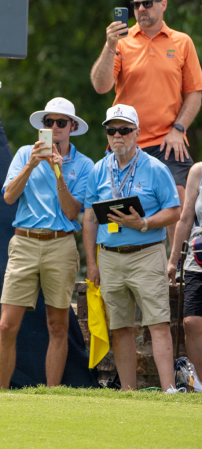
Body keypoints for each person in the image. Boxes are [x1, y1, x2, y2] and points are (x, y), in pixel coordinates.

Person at [90, 0, 202, 246]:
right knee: (109, 202)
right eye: (136, 4)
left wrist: (179, 129)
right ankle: (113, 262)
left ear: (163, 5)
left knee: (180, 197)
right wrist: (109, 46)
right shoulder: (122, 41)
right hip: (126, 138)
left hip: (168, 139)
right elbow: (100, 86)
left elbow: (195, 93)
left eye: (148, 3)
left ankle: (177, 270)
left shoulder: (181, 41)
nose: (141, 9)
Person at [0, 98, 94, 389]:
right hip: (24, 241)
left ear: (72, 127)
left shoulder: (84, 164)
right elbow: (8, 197)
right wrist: (31, 165)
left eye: (60, 123)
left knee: (58, 325)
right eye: (48, 122)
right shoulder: (26, 153)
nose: (54, 128)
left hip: (60, 244)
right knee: (6, 325)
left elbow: (73, 212)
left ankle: (51, 394)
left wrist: (58, 171)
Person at [83, 105, 181, 392]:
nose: (118, 135)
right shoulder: (100, 169)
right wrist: (91, 262)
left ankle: (169, 391)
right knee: (120, 327)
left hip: (147, 253)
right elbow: (89, 216)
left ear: (137, 134)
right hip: (110, 257)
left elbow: (174, 211)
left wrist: (145, 223)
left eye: (124, 130)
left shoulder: (155, 168)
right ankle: (129, 392)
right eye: (112, 130)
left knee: (158, 323)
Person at [167, 162, 202, 374]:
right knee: (191, 321)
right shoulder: (198, 171)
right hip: (198, 256)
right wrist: (173, 260)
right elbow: (186, 217)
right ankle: (198, 383)